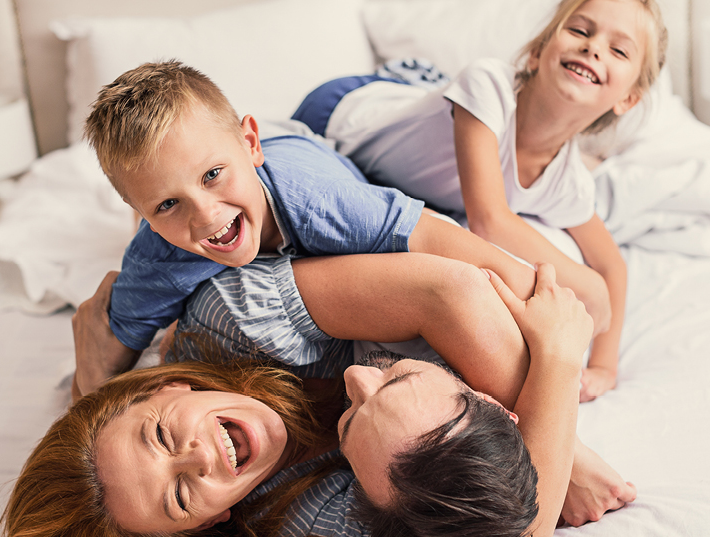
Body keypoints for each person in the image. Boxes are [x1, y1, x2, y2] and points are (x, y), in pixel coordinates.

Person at [0, 258, 636, 537]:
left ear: (165, 386)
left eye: (158, 436)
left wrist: (561, 450)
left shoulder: (228, 321)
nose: (199, 459)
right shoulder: (288, 520)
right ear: (205, 523)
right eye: (180, 495)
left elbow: (450, 293)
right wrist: (553, 361)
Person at [74, 59, 548, 402]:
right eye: (168, 204)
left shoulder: (323, 202)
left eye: (212, 175)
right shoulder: (155, 258)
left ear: (250, 144)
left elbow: (449, 243)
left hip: (327, 116)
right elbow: (102, 363)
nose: (204, 215)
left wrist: (547, 318)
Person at [291, 0, 668, 401]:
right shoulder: (489, 85)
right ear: (538, 52)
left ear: (627, 99)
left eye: (619, 50)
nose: (593, 48)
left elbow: (611, 263)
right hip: (342, 110)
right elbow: (489, 220)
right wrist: (588, 288)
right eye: (580, 30)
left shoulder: (567, 180)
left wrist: (603, 367)